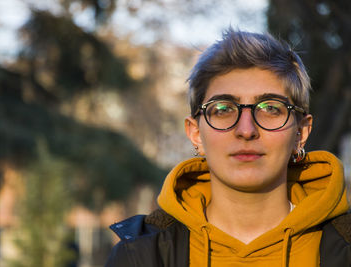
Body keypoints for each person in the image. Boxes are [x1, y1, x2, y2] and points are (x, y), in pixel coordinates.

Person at [105, 29, 351, 267]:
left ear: (300, 133)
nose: (246, 130)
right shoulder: (141, 256)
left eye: (270, 108)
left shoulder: (344, 249)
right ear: (195, 133)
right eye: (222, 109)